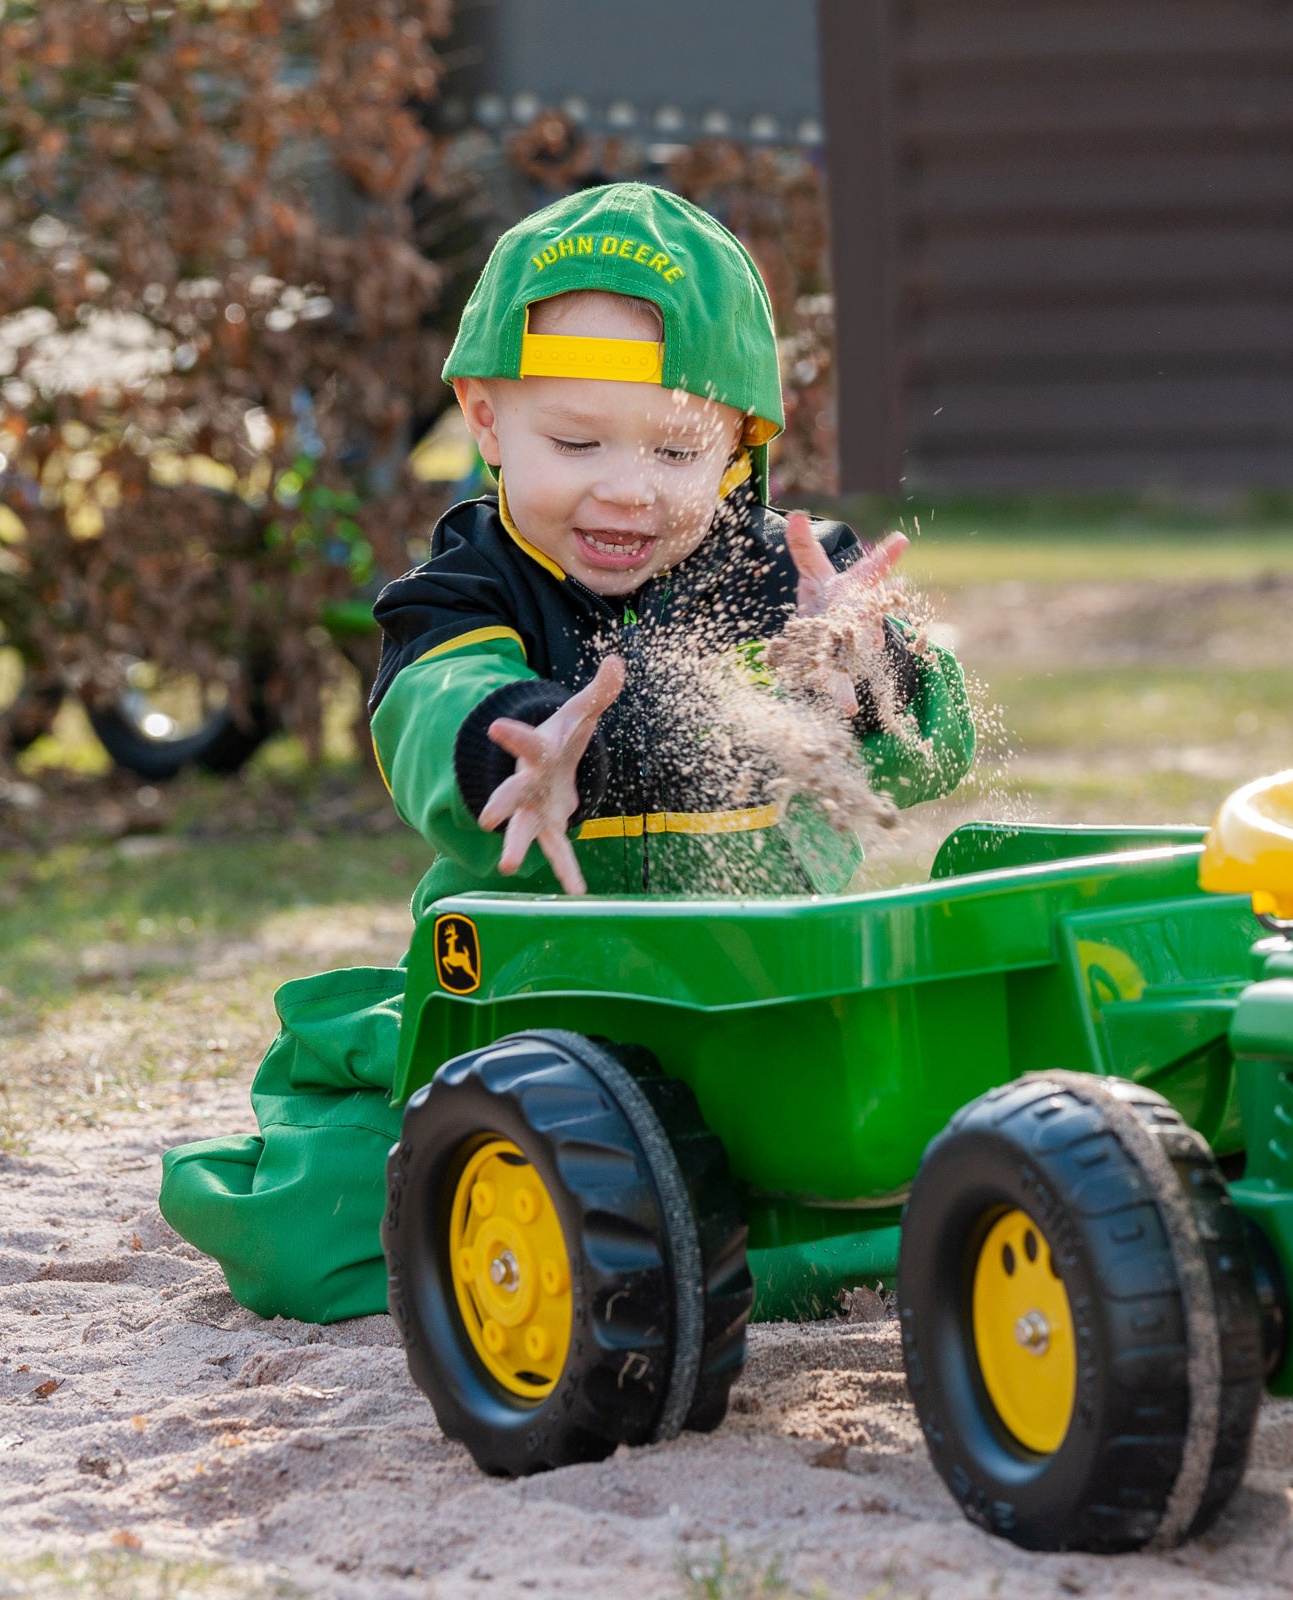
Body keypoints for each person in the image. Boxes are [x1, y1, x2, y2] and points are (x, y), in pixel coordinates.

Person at [157, 183, 974, 1323]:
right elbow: (436, 712)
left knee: (921, 1144)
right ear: (486, 420)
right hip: (535, 1027)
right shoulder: (464, 593)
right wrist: (519, 752)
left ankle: (744, 1233)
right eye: (575, 439)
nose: (626, 487)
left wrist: (867, 676)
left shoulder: (792, 583)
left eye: (677, 448)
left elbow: (928, 757)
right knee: (315, 1239)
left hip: (762, 1018)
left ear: (742, 445)